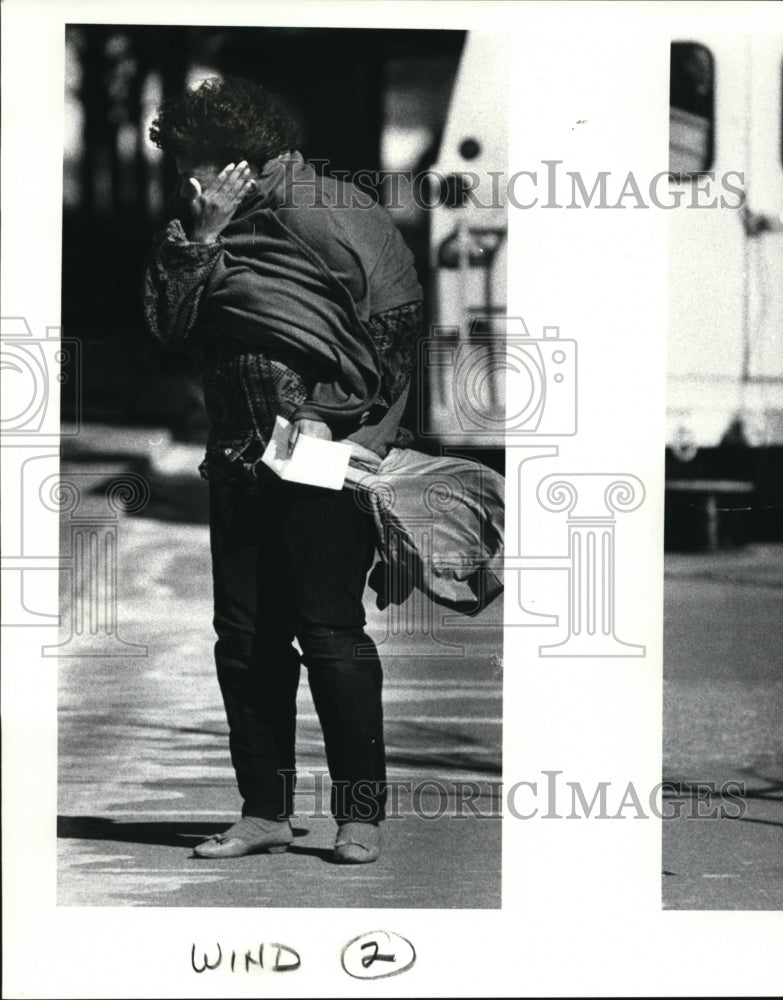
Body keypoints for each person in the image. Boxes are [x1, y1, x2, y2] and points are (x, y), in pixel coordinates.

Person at [144, 76, 423, 864]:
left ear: (235, 159)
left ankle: (358, 816)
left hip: (321, 453)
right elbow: (170, 324)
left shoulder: (328, 212)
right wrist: (200, 236)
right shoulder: (207, 224)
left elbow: (394, 325)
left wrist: (336, 417)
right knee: (243, 642)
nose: (182, 179)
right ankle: (264, 810)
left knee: (329, 633)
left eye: (192, 163)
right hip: (236, 456)